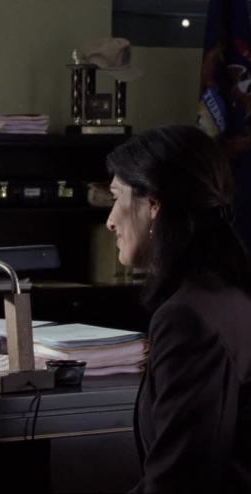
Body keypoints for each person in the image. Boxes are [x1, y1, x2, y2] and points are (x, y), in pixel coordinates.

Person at [105, 125, 251, 493]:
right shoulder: (229, 295)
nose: (110, 221)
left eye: (116, 198)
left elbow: (179, 480)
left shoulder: (187, 319)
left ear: (153, 205)